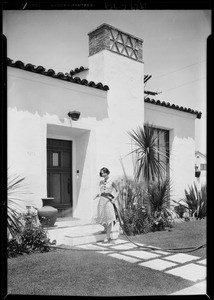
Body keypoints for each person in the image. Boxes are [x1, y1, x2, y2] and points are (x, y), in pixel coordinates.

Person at [93, 167, 119, 243]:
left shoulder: (112, 181)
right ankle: (106, 229)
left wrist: (114, 199)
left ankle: (108, 237)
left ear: (107, 173)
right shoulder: (101, 182)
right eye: (101, 173)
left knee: (109, 219)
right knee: (100, 218)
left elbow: (118, 191)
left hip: (108, 201)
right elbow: (100, 191)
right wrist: (98, 195)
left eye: (103, 173)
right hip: (101, 201)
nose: (102, 174)